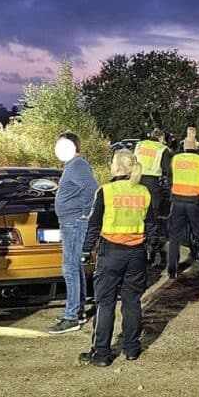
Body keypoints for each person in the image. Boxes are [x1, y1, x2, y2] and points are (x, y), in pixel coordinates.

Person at [78, 149, 157, 366]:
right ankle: (131, 349)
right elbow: (151, 225)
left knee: (105, 304)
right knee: (132, 302)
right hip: (136, 254)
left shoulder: (107, 191)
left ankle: (101, 354)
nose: (110, 166)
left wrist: (86, 250)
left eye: (112, 162)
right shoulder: (144, 191)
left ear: (118, 167)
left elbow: (94, 225)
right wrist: (151, 247)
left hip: (111, 253)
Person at [49, 132, 98, 334]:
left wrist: (86, 213)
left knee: (69, 267)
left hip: (74, 222)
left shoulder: (77, 165)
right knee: (74, 265)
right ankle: (77, 310)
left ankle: (72, 317)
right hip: (71, 221)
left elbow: (91, 188)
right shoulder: (73, 165)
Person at [167, 147, 199, 280]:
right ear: (197, 147)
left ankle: (172, 270)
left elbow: (169, 179)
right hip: (195, 202)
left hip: (177, 202)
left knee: (175, 236)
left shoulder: (175, 159)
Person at [134, 128, 172, 266]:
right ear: (161, 138)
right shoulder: (162, 149)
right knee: (152, 216)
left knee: (138, 214)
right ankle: (151, 249)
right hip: (153, 184)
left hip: (137, 181)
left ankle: (139, 244)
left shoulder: (140, 145)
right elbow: (168, 170)